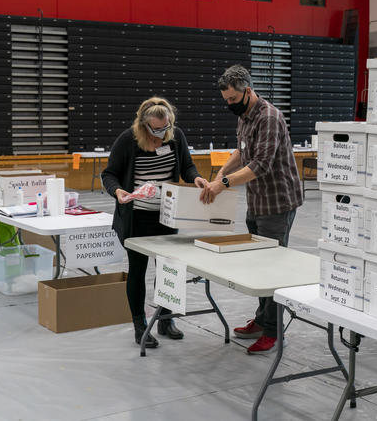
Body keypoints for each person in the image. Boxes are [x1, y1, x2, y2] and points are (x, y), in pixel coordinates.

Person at [200, 65, 303, 355]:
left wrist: (223, 184)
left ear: (247, 91)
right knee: (259, 267)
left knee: (272, 269)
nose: (229, 105)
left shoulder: (269, 117)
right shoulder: (245, 116)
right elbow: (241, 151)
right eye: (226, 101)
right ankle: (261, 320)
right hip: (256, 203)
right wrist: (220, 173)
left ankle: (273, 331)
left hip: (277, 203)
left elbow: (260, 164)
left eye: (233, 99)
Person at [102, 97, 209, 348]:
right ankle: (140, 326)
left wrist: (197, 179)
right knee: (138, 271)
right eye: (156, 129)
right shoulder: (127, 140)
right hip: (136, 219)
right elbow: (109, 174)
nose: (162, 133)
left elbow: (188, 167)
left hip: (166, 216)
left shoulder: (176, 136)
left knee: (168, 269)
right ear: (143, 125)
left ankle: (165, 319)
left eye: (166, 127)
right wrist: (118, 191)